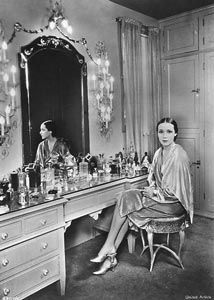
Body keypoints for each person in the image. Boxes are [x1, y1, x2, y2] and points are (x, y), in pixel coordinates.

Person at [90, 117, 194, 275]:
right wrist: (153, 189)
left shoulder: (178, 154)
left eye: (169, 131)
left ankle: (109, 250)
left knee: (126, 203)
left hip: (173, 204)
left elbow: (177, 190)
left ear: (175, 134)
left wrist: (155, 192)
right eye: (161, 131)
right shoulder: (159, 153)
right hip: (160, 198)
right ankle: (110, 253)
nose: (164, 135)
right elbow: (153, 178)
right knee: (125, 198)